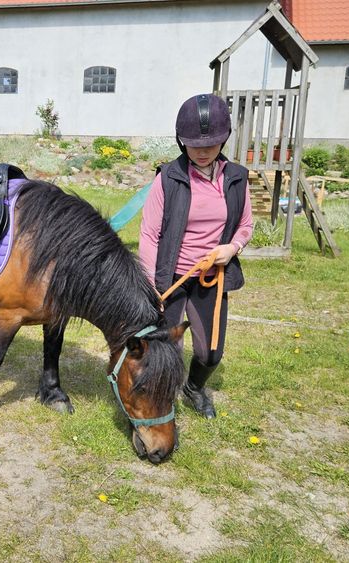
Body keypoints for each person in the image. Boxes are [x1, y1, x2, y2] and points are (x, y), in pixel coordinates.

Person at [139, 93, 253, 419]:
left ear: (224, 140)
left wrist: (231, 248)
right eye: (193, 144)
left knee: (211, 353)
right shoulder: (168, 179)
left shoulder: (237, 179)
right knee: (166, 350)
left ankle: (194, 388)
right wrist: (152, 285)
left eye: (211, 144)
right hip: (171, 277)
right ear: (181, 141)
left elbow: (245, 226)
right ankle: (165, 400)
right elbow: (148, 234)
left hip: (211, 276)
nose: (202, 151)